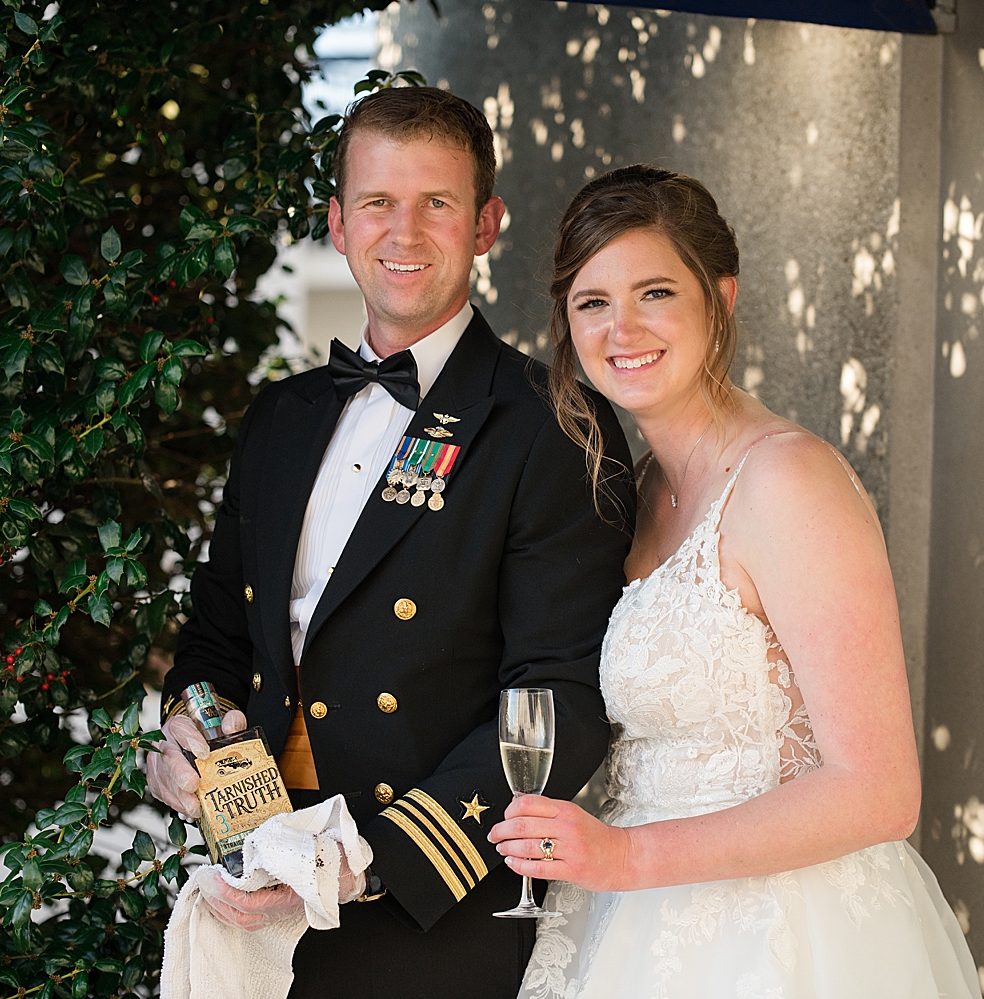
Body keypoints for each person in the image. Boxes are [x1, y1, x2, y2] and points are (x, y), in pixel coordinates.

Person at [145, 87, 635, 998]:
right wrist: (183, 733)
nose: (403, 231)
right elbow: (215, 641)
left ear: (486, 223)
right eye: (377, 202)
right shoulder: (279, 420)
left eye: (437, 203)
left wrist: (370, 862)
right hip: (253, 886)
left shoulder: (554, 428)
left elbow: (558, 699)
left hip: (425, 914)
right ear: (337, 222)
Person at [489, 166, 982, 999]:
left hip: (782, 934)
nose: (623, 328)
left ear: (720, 299)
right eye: (593, 302)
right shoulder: (635, 489)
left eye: (655, 292)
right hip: (633, 928)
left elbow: (882, 789)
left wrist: (629, 856)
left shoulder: (788, 482)